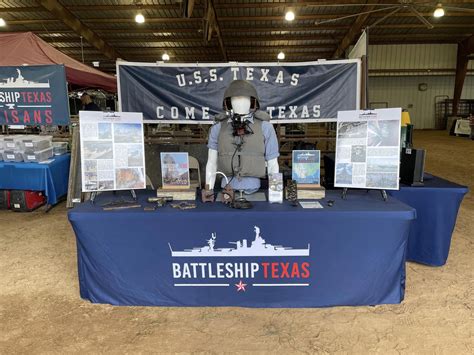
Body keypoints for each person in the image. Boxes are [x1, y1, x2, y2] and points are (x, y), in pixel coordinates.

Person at [203, 80, 279, 199]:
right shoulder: (217, 128)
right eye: (235, 99)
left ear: (252, 102)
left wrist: (276, 193)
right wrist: (209, 190)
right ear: (228, 102)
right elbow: (211, 163)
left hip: (254, 189)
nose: (240, 103)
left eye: (245, 99)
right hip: (227, 190)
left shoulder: (266, 127)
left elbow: (273, 163)